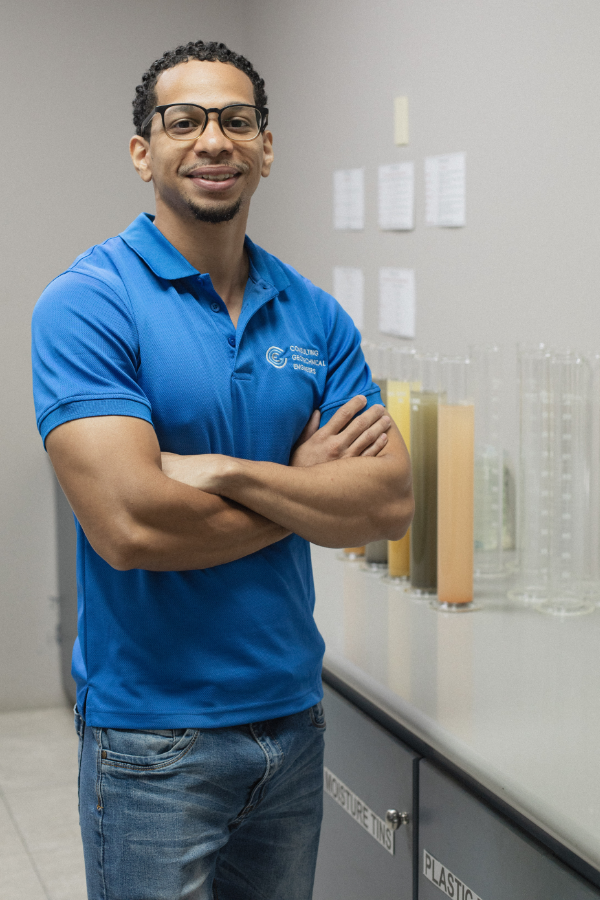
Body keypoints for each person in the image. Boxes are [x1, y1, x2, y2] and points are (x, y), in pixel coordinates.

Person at [31, 40, 413, 900]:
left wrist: (224, 472)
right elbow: (132, 527)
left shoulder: (313, 313)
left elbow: (388, 500)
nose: (214, 140)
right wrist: (306, 488)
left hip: (292, 717)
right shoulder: (89, 302)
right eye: (185, 120)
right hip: (153, 738)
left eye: (237, 121)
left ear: (266, 149)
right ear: (144, 151)